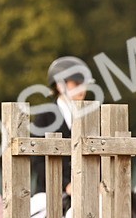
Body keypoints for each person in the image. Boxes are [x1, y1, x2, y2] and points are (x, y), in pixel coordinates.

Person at [32, 55, 96, 197]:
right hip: (48, 192)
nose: (82, 88)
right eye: (76, 83)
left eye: (84, 84)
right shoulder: (44, 116)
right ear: (60, 85)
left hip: (86, 191)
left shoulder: (90, 116)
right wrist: (65, 185)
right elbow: (38, 162)